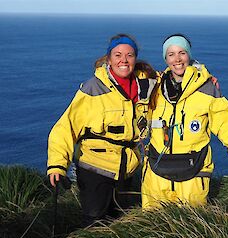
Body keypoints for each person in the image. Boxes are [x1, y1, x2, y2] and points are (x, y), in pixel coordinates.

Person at [140, 34, 228, 209]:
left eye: (182, 52)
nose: (177, 59)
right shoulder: (154, 87)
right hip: (156, 175)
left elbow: (226, 126)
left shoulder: (207, 88)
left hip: (193, 173)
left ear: (189, 55)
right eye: (171, 54)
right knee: (153, 230)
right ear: (165, 58)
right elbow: (123, 76)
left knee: (191, 230)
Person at [47, 33, 157, 227]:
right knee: (95, 221)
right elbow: (65, 127)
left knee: (121, 221)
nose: (124, 60)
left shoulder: (146, 85)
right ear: (109, 59)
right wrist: (57, 165)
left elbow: (176, 76)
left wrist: (204, 77)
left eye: (129, 55)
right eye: (118, 55)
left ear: (135, 58)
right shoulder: (93, 88)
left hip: (127, 168)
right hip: (95, 167)